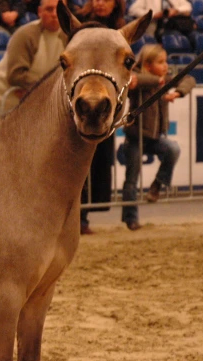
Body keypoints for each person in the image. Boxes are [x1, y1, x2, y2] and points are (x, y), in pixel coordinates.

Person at [121, 43, 194, 231]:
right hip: (136, 137)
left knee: (173, 149)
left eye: (166, 61)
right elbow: (133, 80)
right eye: (161, 62)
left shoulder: (163, 78)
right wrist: (158, 81)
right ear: (147, 64)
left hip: (154, 136)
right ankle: (131, 218)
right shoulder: (137, 78)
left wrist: (178, 92)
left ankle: (157, 184)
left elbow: (189, 79)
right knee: (131, 180)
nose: (166, 65)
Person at [72, 0, 126, 235]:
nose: (100, 3)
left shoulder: (119, 29)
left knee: (98, 164)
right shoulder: (79, 27)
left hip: (106, 106)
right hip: (82, 102)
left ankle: (84, 217)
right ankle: (76, 217)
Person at [0, 0, 66, 124]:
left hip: (23, 113)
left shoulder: (68, 38)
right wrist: (47, 91)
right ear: (39, 12)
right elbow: (16, 75)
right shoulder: (26, 35)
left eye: (59, 10)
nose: (55, 14)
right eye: (49, 9)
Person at [128, 0, 195, 48]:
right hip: (155, 25)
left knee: (193, 36)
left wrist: (176, 10)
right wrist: (153, 15)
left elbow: (188, 6)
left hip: (174, 25)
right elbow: (133, 10)